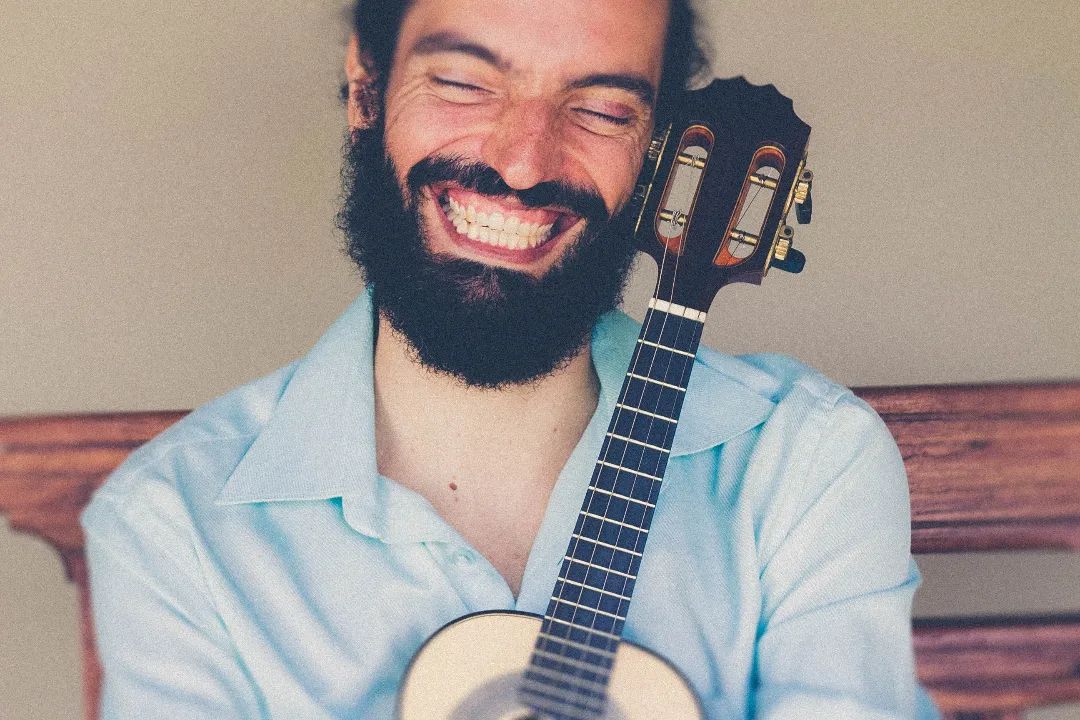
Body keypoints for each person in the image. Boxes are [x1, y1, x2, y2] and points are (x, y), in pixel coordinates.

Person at [81, 0, 939, 717]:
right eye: (463, 82)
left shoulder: (804, 464)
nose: (524, 163)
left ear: (657, 147)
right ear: (367, 87)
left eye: (603, 109)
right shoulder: (174, 529)